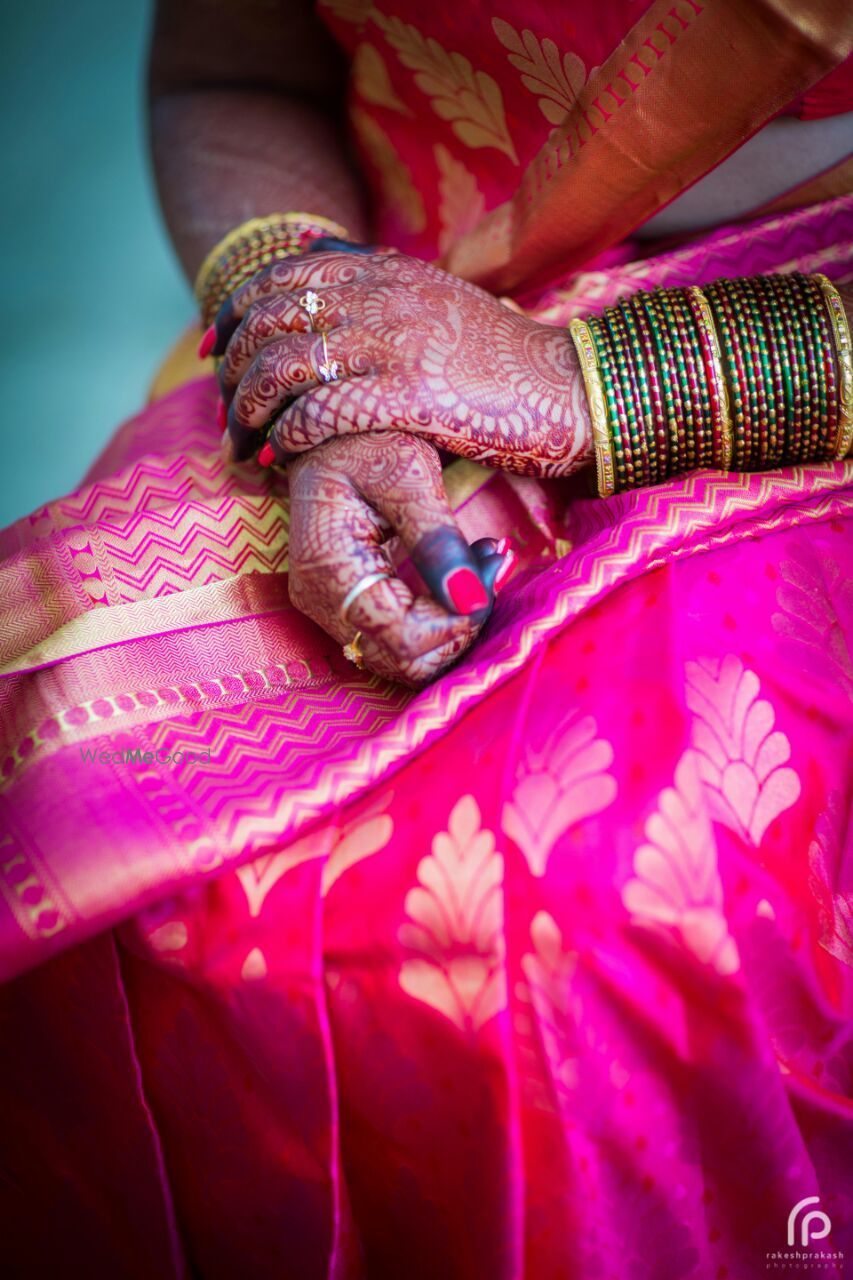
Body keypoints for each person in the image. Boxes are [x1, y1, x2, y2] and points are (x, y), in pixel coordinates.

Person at [1, 1, 852, 1275]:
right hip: (389, 292)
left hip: (802, 368)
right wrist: (320, 363)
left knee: (600, 920)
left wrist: (585, 387)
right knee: (72, 807)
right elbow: (231, 67)